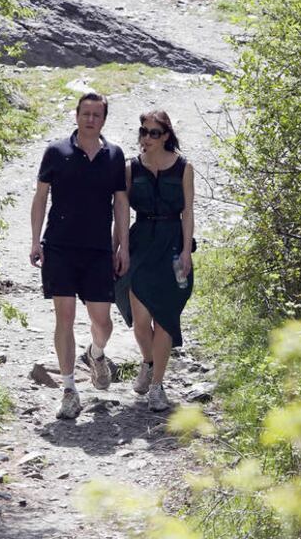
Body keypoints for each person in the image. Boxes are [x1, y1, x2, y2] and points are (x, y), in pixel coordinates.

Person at [30, 92, 130, 420]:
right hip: (59, 246)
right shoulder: (56, 152)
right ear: (76, 116)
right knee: (65, 317)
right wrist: (35, 241)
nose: (90, 119)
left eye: (96, 114)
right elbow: (41, 197)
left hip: (99, 249)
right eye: (85, 113)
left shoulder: (114, 156)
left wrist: (123, 247)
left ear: (103, 119)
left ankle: (96, 354)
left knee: (103, 322)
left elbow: (120, 204)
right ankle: (70, 390)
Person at [115, 110, 194, 411]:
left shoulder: (184, 168)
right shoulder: (130, 169)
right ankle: (148, 362)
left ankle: (157, 385)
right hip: (141, 243)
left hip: (173, 244)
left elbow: (188, 212)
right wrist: (119, 247)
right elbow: (120, 211)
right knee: (141, 319)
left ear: (167, 136)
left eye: (154, 133)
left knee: (165, 318)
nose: (147, 137)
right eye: (144, 131)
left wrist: (187, 250)